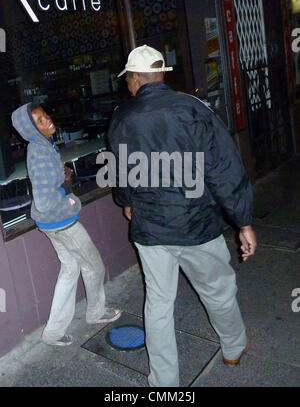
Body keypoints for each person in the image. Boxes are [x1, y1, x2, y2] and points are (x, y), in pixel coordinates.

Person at [107, 44, 257, 387]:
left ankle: (164, 383)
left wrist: (128, 200)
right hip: (197, 226)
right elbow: (224, 168)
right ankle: (233, 348)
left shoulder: (122, 117)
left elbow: (120, 168)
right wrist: (243, 221)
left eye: (128, 80)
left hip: (150, 228)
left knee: (158, 303)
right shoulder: (193, 108)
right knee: (218, 289)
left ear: (134, 78)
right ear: (162, 75)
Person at [12, 103, 121, 346]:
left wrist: (62, 177)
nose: (47, 120)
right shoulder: (39, 152)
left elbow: (48, 183)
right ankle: (95, 312)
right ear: (30, 129)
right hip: (62, 223)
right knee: (93, 265)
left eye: (45, 115)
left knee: (70, 269)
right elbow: (44, 198)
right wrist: (67, 192)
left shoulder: (41, 146)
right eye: (39, 121)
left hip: (53, 223)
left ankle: (52, 333)